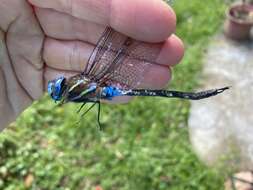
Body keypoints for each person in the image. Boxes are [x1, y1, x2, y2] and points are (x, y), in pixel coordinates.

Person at [0, 0, 184, 130]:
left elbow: (92, 101)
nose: (63, 82)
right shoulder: (77, 87)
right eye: (61, 85)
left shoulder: (75, 91)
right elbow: (92, 100)